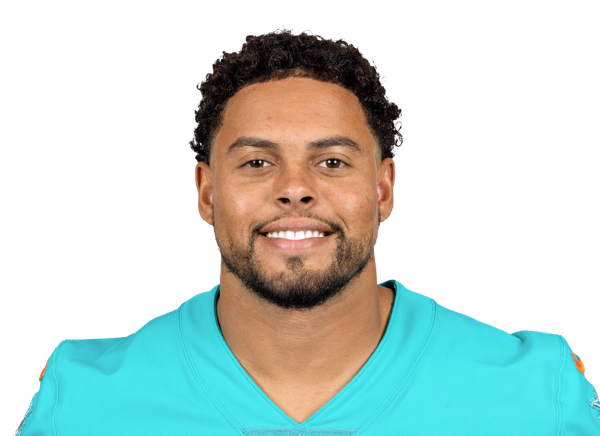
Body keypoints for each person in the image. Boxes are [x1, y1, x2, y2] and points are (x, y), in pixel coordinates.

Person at [15, 26, 599, 435]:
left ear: (384, 189)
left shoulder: (537, 391)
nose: (295, 189)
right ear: (206, 192)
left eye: (332, 162)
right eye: (257, 162)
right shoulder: (83, 397)